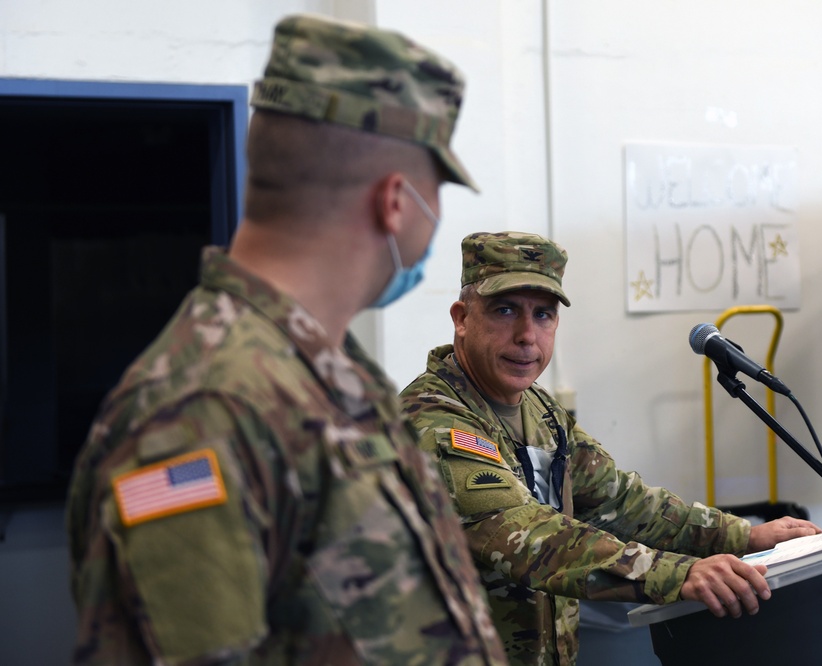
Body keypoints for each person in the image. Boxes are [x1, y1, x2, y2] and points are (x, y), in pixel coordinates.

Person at [66, 15, 508, 665]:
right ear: (395, 201)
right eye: (437, 189)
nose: (436, 214)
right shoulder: (199, 415)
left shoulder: (328, 376)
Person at [399, 231, 822, 664]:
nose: (527, 335)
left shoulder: (540, 411)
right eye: (505, 311)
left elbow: (621, 501)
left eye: (543, 315)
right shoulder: (432, 423)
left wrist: (742, 536)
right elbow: (528, 535)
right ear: (462, 318)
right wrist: (678, 573)